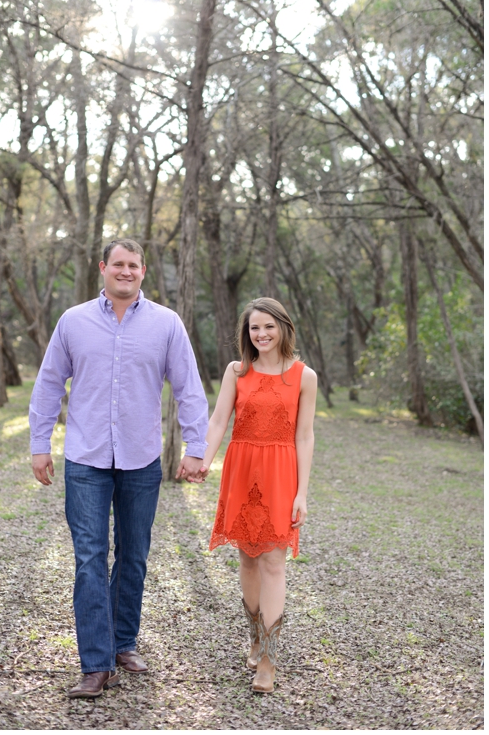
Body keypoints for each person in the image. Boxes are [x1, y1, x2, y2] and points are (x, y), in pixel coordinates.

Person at [29, 239, 209, 699]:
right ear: (103, 268)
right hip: (86, 458)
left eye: (134, 265)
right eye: (118, 265)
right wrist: (39, 444)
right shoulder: (74, 321)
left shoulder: (166, 325)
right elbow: (50, 382)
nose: (125, 272)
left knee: (133, 555)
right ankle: (96, 664)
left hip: (141, 459)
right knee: (89, 558)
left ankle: (123, 642)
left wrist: (196, 446)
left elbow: (188, 386)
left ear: (143, 271)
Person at [180, 297, 316, 693]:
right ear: (247, 332)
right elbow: (220, 418)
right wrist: (202, 460)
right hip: (241, 470)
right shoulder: (237, 371)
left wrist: (301, 493)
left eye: (269, 327)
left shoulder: (303, 376)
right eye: (255, 328)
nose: (262, 334)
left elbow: (304, 436)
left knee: (274, 561)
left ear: (284, 328)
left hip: (280, 474)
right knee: (248, 559)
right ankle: (255, 638)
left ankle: (269, 659)